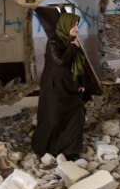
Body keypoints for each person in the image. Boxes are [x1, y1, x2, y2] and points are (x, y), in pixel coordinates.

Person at [32, 13, 87, 161]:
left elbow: (79, 64)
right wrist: (73, 47)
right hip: (55, 87)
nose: (76, 28)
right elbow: (60, 61)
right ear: (65, 26)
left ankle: (70, 150)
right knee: (54, 119)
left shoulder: (73, 42)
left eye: (76, 25)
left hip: (70, 86)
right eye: (73, 25)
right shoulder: (53, 42)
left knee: (76, 117)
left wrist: (81, 82)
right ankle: (46, 148)